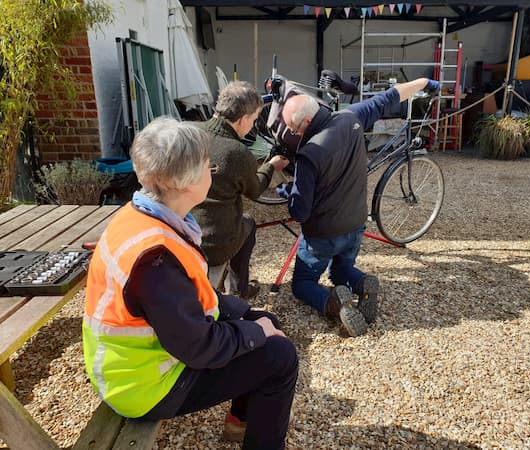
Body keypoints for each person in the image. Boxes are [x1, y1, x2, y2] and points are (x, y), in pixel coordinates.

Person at [82, 116, 298, 450]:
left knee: (264, 322)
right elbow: (200, 348)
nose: (211, 172)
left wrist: (248, 314)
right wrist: (256, 334)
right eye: (208, 167)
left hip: (133, 367)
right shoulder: (154, 259)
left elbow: (195, 298)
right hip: (142, 387)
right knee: (280, 355)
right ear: (185, 182)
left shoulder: (146, 215)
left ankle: (241, 422)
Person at [277, 77, 439, 337]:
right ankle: (361, 282)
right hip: (355, 225)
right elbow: (390, 97)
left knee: (302, 283)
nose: (293, 134)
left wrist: (286, 191)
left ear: (306, 122)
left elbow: (300, 212)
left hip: (323, 235)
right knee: (340, 270)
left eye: (293, 129)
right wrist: (423, 82)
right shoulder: (350, 117)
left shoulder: (309, 154)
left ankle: (335, 304)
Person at [193, 81, 289, 300]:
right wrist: (271, 166)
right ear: (244, 118)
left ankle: (236, 286)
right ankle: (239, 290)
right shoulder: (236, 152)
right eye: (254, 120)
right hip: (213, 245)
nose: (253, 125)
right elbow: (254, 191)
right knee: (248, 223)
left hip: (184, 235)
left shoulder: (191, 133)